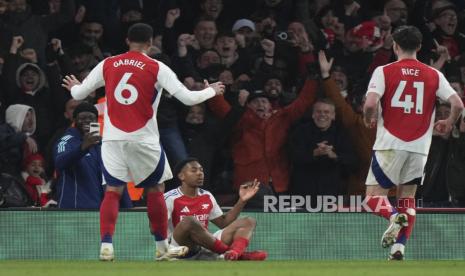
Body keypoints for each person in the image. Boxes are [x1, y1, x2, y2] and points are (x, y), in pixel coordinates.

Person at [61, 23, 225, 261]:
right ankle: (161, 248)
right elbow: (188, 98)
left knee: (113, 191)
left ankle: (106, 245)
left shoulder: (108, 63)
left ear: (127, 40)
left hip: (113, 139)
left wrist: (75, 86)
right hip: (144, 139)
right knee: (156, 190)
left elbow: (78, 95)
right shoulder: (157, 67)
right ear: (150, 44)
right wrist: (211, 90)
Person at [363, 25, 464, 260]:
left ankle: (392, 217)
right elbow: (458, 104)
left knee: (372, 199)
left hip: (389, 144)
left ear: (395, 46)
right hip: (419, 147)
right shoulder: (433, 74)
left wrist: (369, 119)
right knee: (407, 197)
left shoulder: (384, 71)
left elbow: (370, 105)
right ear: (419, 47)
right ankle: (399, 248)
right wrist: (448, 122)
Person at [165, 158, 267, 261]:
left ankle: (233, 253)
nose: (200, 173)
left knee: (248, 221)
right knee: (189, 221)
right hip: (179, 248)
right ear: (181, 176)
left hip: (203, 245)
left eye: (201, 170)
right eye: (194, 170)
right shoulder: (169, 198)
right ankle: (240, 256)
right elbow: (156, 228)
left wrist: (242, 201)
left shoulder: (207, 195)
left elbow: (224, 223)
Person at [53, 102, 131, 209]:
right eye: (82, 118)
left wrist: (128, 209)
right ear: (74, 120)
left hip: (99, 210)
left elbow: (117, 178)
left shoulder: (103, 145)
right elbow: (59, 163)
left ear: (96, 121)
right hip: (73, 209)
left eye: (91, 118)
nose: (87, 121)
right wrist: (82, 148)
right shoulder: (66, 141)